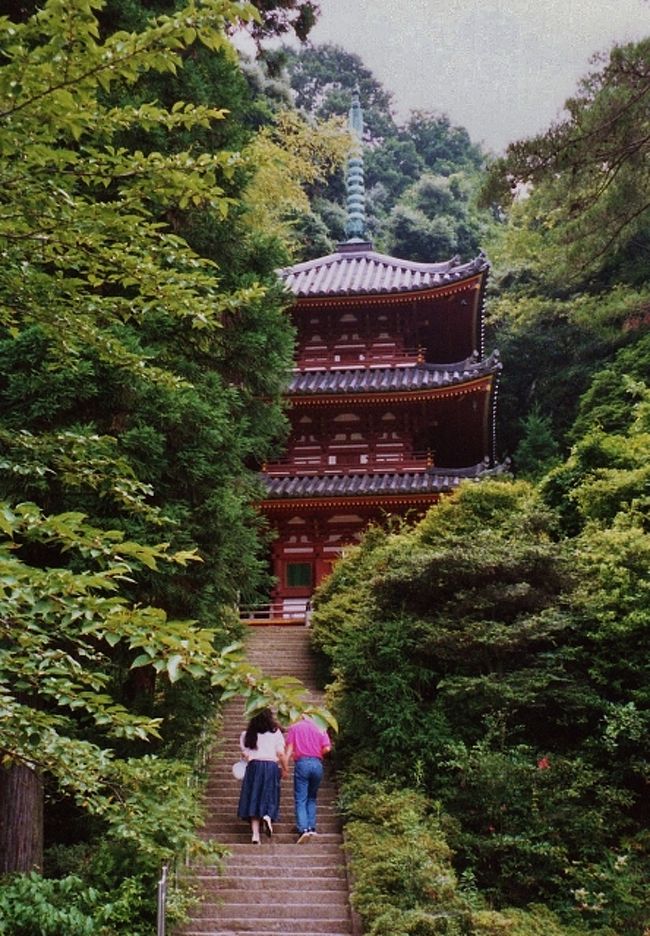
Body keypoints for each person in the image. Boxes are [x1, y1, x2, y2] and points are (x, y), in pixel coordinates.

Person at [237, 708, 288, 844]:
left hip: (254, 767)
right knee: (269, 794)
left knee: (254, 796)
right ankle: (267, 816)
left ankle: (255, 835)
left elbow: (246, 755)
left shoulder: (247, 734)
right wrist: (285, 768)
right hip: (271, 766)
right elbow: (281, 754)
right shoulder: (276, 733)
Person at [285, 714, 331, 844]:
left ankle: (303, 829)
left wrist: (284, 766)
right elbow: (327, 748)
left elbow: (289, 749)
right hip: (317, 763)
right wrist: (316, 754)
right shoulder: (321, 727)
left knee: (301, 798)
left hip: (302, 763)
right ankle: (311, 827)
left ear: (301, 716)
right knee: (312, 798)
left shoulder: (295, 727)